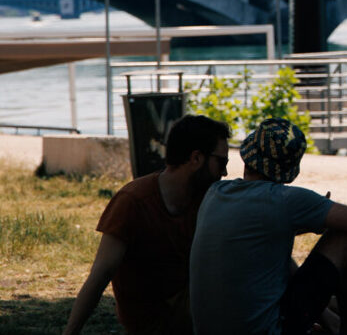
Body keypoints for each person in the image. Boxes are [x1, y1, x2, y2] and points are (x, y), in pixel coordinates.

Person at [189, 118, 347, 335]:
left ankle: (333, 320)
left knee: (271, 248)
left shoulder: (216, 193)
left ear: (248, 154)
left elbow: (256, 231)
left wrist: (300, 224)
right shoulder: (287, 200)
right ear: (290, 168)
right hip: (270, 330)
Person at [65, 114, 232, 335]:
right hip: (154, 323)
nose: (225, 173)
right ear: (196, 159)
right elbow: (101, 274)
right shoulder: (133, 202)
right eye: (222, 162)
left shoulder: (206, 199)